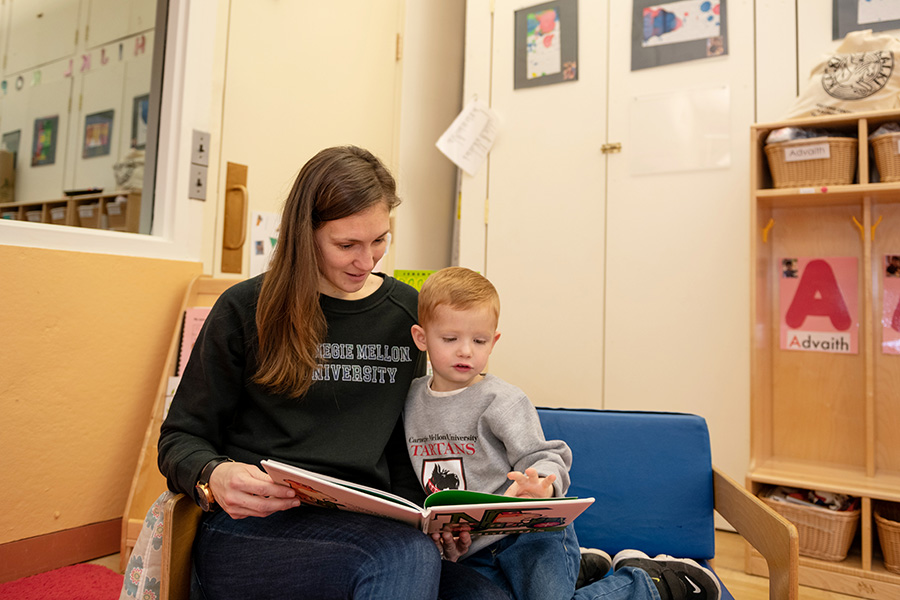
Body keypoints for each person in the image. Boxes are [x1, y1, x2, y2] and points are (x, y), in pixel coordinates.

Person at [157, 146, 508, 600]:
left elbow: (404, 441)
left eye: (380, 240)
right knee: (401, 558)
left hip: (373, 525)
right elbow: (179, 439)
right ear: (307, 236)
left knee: (486, 595)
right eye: (347, 245)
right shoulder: (245, 309)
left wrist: (434, 517)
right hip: (253, 531)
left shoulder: (407, 315)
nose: (368, 260)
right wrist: (213, 475)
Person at [403, 267, 721, 600]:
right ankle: (579, 572)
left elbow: (546, 456)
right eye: (450, 339)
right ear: (421, 337)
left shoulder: (502, 400)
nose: (466, 350)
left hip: (530, 536)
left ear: (494, 341)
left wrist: (543, 483)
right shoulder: (409, 402)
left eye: (479, 340)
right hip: (472, 553)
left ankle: (651, 584)